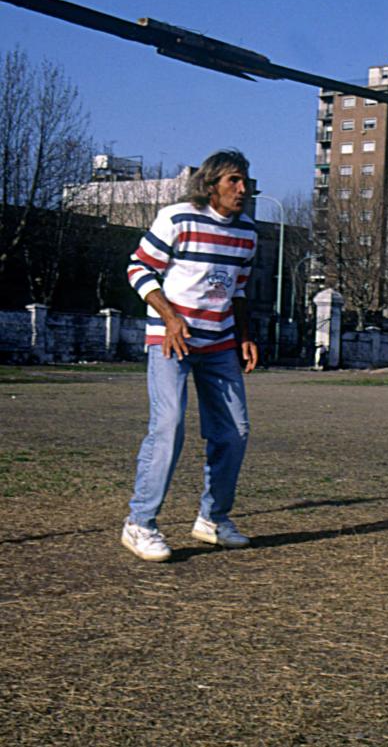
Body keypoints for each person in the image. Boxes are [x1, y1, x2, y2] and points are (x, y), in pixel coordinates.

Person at [120, 149, 260, 562]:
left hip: (219, 342)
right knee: (170, 424)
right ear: (210, 184)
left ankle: (213, 519)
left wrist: (245, 336)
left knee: (235, 431)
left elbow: (237, 289)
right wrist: (171, 317)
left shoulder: (248, 232)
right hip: (171, 339)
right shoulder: (177, 218)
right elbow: (138, 269)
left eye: (246, 181)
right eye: (233, 180)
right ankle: (140, 523)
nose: (242, 189)